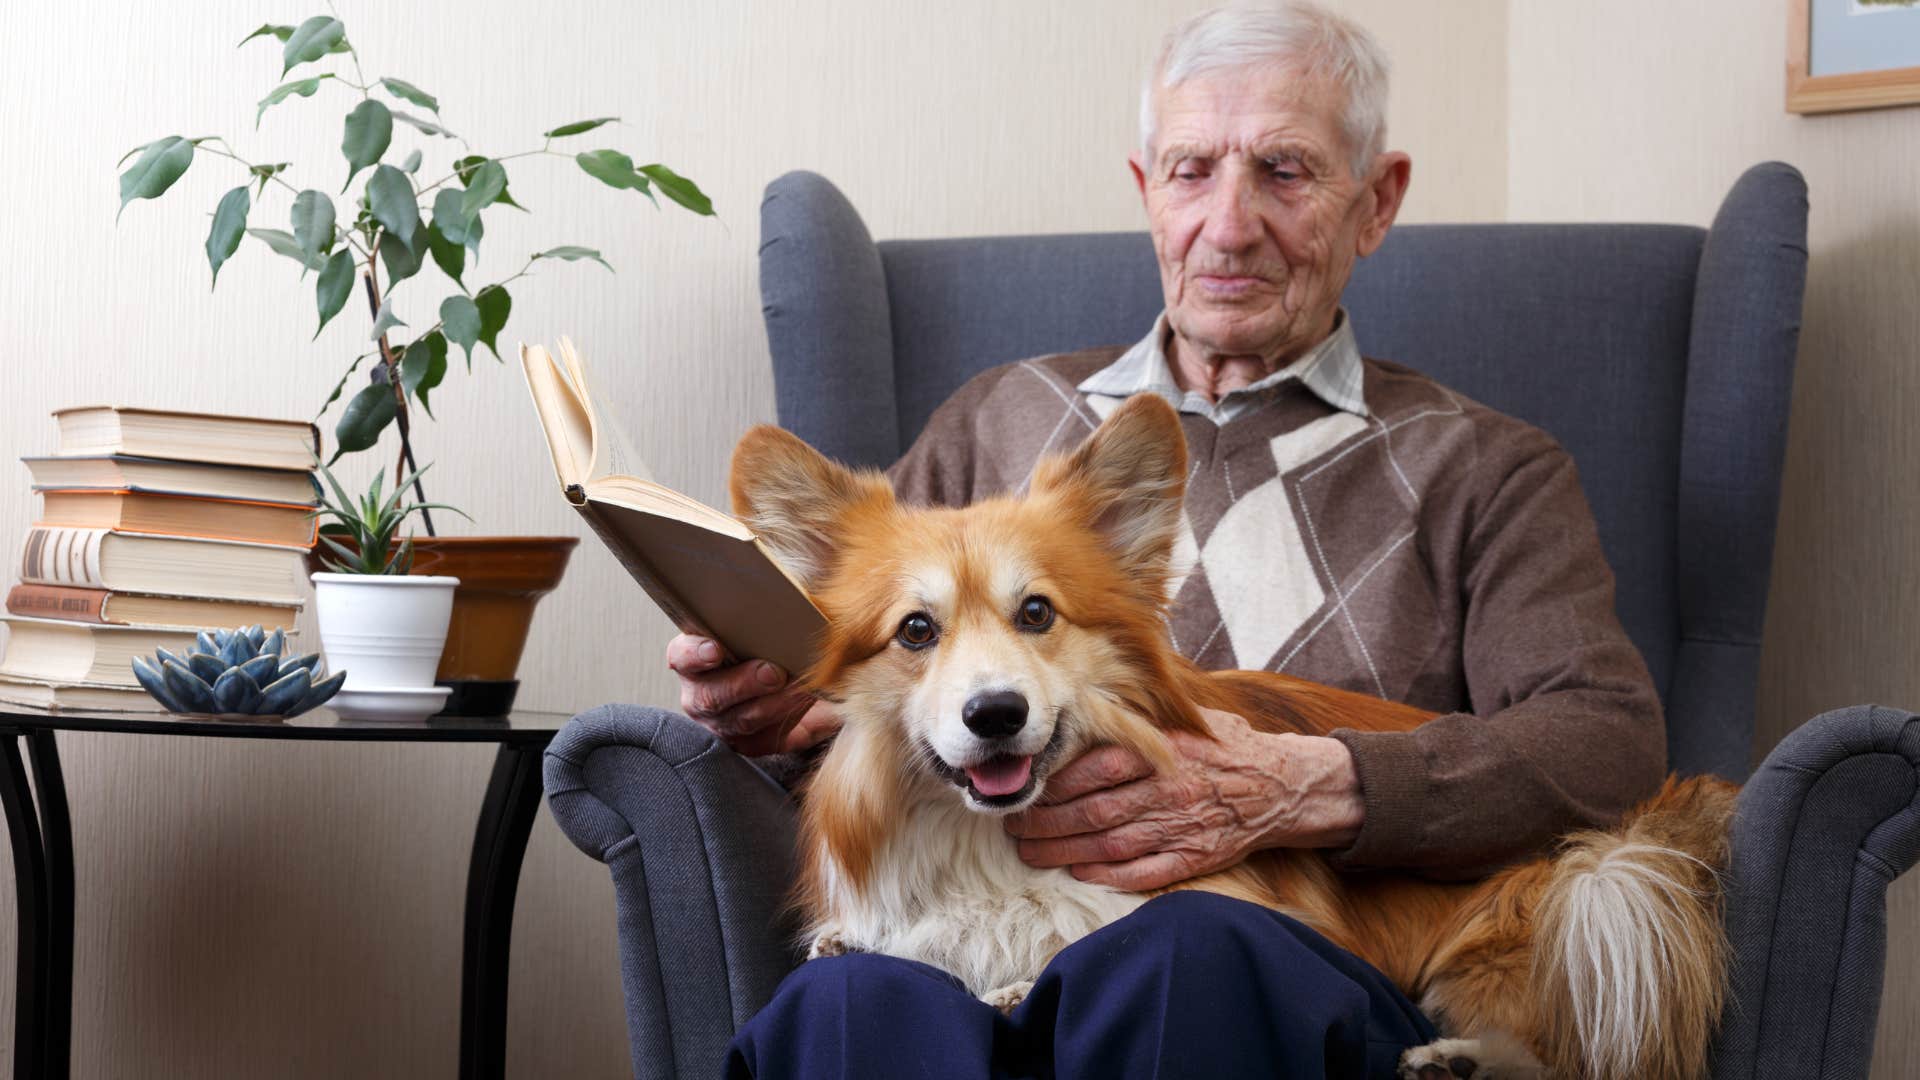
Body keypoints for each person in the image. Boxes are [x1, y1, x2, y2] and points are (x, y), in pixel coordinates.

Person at [673, 3, 1666, 1075]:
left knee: (1179, 951)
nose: (1229, 225)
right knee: (848, 1005)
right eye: (1192, 171)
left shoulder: (1489, 469)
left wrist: (1315, 783)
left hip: (1277, 965)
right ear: (1149, 194)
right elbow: (882, 673)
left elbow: (1605, 741)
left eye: (1285, 171)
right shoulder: (992, 416)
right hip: (968, 955)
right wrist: (779, 695)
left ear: (1376, 203)